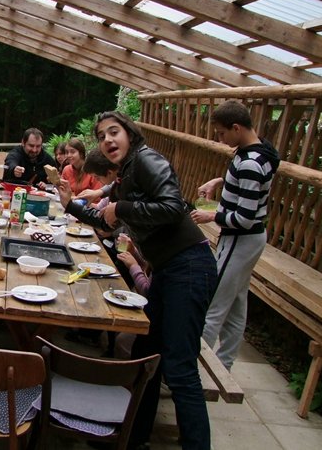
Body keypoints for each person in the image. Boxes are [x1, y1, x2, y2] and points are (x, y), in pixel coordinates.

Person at [60, 111, 218, 450]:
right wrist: (69, 205)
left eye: (113, 131)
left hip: (189, 267)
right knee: (147, 354)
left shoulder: (147, 159)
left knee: (179, 367)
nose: (107, 140)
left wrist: (121, 208)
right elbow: (106, 220)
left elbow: (173, 207)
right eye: (101, 136)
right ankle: (134, 437)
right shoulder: (127, 174)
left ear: (130, 134)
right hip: (167, 270)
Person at [191, 100, 280, 371]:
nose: (220, 139)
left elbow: (244, 217)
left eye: (222, 133)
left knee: (212, 306)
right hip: (251, 240)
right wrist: (220, 180)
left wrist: (212, 215)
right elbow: (247, 184)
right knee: (237, 306)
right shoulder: (258, 150)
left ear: (237, 128)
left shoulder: (251, 162)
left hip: (240, 239)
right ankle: (224, 365)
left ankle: (194, 371)